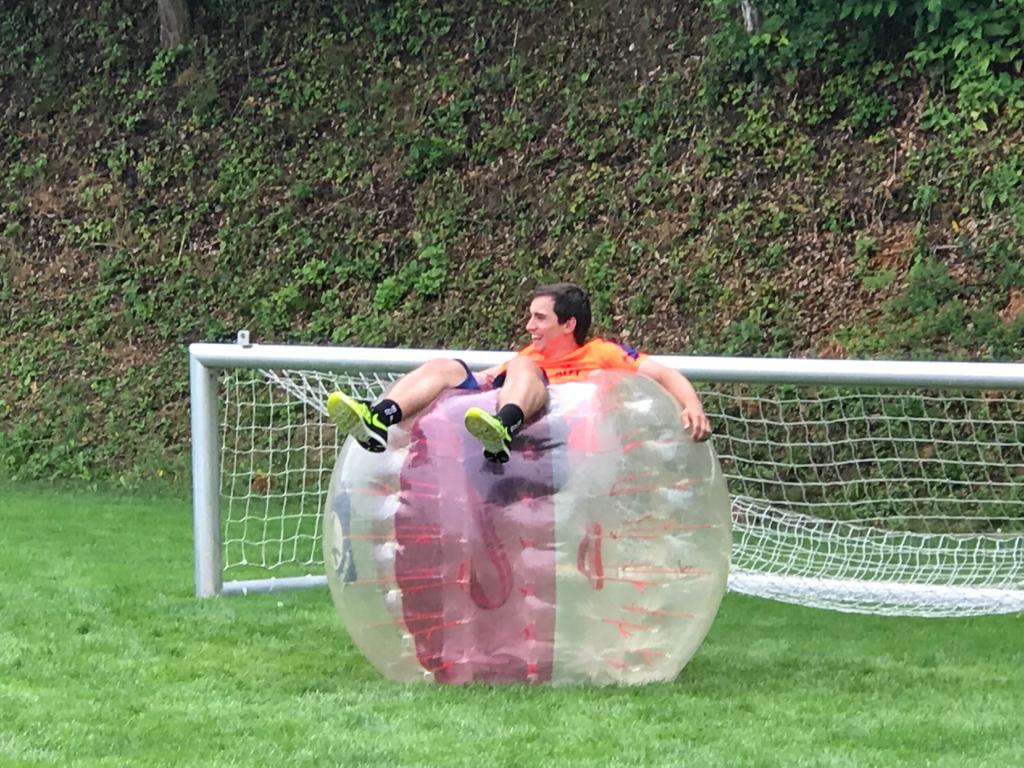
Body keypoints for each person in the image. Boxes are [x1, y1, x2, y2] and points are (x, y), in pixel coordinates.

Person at [326, 282, 711, 463]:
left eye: (539, 318)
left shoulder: (601, 353)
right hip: (511, 458)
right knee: (448, 366)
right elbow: (485, 379)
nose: (529, 326)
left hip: (566, 459)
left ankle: (504, 425)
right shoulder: (527, 356)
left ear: (569, 324)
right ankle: (379, 418)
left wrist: (692, 405)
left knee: (524, 366)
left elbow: (665, 375)